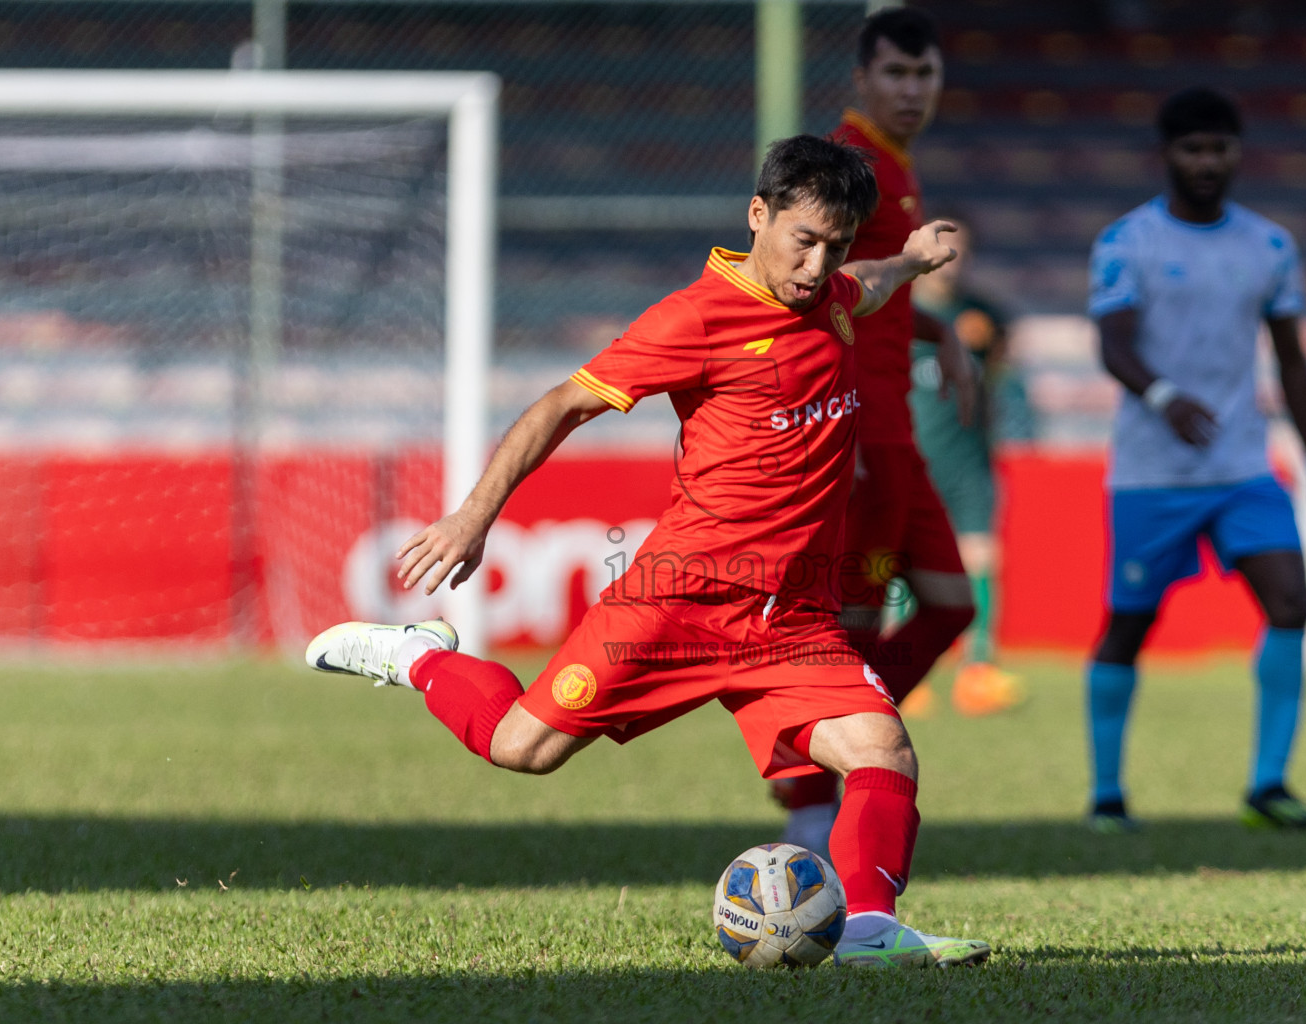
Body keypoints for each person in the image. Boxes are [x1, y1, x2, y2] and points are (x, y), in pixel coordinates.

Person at [306, 135, 991, 968]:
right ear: (758, 216)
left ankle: (871, 932)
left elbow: (869, 285)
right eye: (802, 241)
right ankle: (417, 659)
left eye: (835, 247)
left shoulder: (836, 295)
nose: (816, 266)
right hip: (677, 603)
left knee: (883, 748)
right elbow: (562, 404)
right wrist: (471, 517)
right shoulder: (695, 318)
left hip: (790, 616)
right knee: (522, 749)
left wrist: (912, 259)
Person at [1084, 87, 1306, 834]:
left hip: (1241, 468)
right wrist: (1164, 397)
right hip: (1151, 474)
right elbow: (1114, 344)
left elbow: (1293, 363)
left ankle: (1268, 784)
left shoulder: (1268, 246)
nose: (1206, 162)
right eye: (1192, 149)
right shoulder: (1126, 243)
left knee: (1292, 602)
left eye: (1218, 148)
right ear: (1166, 155)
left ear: (1238, 152)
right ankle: (1108, 794)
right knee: (1128, 627)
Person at [774, 5, 981, 857]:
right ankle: (808, 799)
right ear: (862, 78)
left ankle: (825, 749)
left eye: (924, 74)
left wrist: (942, 338)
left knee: (950, 605)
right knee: (848, 626)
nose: (911, 89)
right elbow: (824, 285)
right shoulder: (851, 164)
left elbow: (876, 292)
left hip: (900, 434)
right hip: (860, 432)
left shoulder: (895, 167)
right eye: (895, 73)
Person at [907, 215, 1032, 717]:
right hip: (911, 458)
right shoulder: (891, 310)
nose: (948, 261)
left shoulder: (984, 315)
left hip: (969, 460)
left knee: (981, 559)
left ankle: (977, 671)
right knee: (900, 567)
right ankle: (908, 674)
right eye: (941, 247)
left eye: (959, 250)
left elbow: (1001, 369)